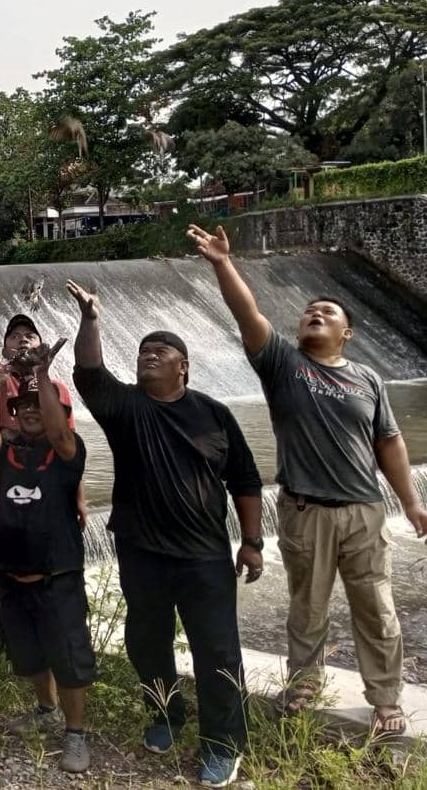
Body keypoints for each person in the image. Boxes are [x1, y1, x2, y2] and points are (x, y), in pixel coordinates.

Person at [188, 223, 427, 736]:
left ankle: (385, 699)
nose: (315, 315)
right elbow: (247, 316)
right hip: (304, 510)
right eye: (309, 312)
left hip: (364, 511)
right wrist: (223, 263)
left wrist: (411, 503)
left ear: (348, 333)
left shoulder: (368, 378)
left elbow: (389, 443)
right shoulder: (283, 365)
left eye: (329, 314)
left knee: (377, 609)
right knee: (308, 609)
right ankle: (303, 686)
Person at [67, 279, 263, 789]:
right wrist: (91, 319)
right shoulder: (126, 407)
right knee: (148, 642)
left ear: (184, 366)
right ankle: (165, 715)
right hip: (142, 552)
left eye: (161, 351)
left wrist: (254, 540)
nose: (149, 355)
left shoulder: (213, 414)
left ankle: (223, 745)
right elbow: (88, 374)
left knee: (217, 649)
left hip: (204, 557)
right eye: (143, 351)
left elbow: (244, 479)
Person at [0, 348, 93, 775]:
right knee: (30, 653)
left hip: (56, 575)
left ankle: (76, 734)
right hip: (10, 574)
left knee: (68, 655)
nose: (29, 412)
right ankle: (47, 710)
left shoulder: (67, 453)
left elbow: (60, 433)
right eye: (21, 407)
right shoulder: (6, 453)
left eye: (38, 406)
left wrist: (42, 377)